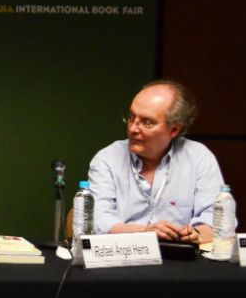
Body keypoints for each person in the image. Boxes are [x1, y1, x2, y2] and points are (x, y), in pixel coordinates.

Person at [87, 79, 225, 244]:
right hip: (124, 257)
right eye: (131, 117)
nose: (132, 129)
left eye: (147, 122)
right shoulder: (107, 159)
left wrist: (196, 234)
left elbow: (218, 218)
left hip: (180, 259)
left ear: (174, 129)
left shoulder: (199, 157)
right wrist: (145, 233)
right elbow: (98, 219)